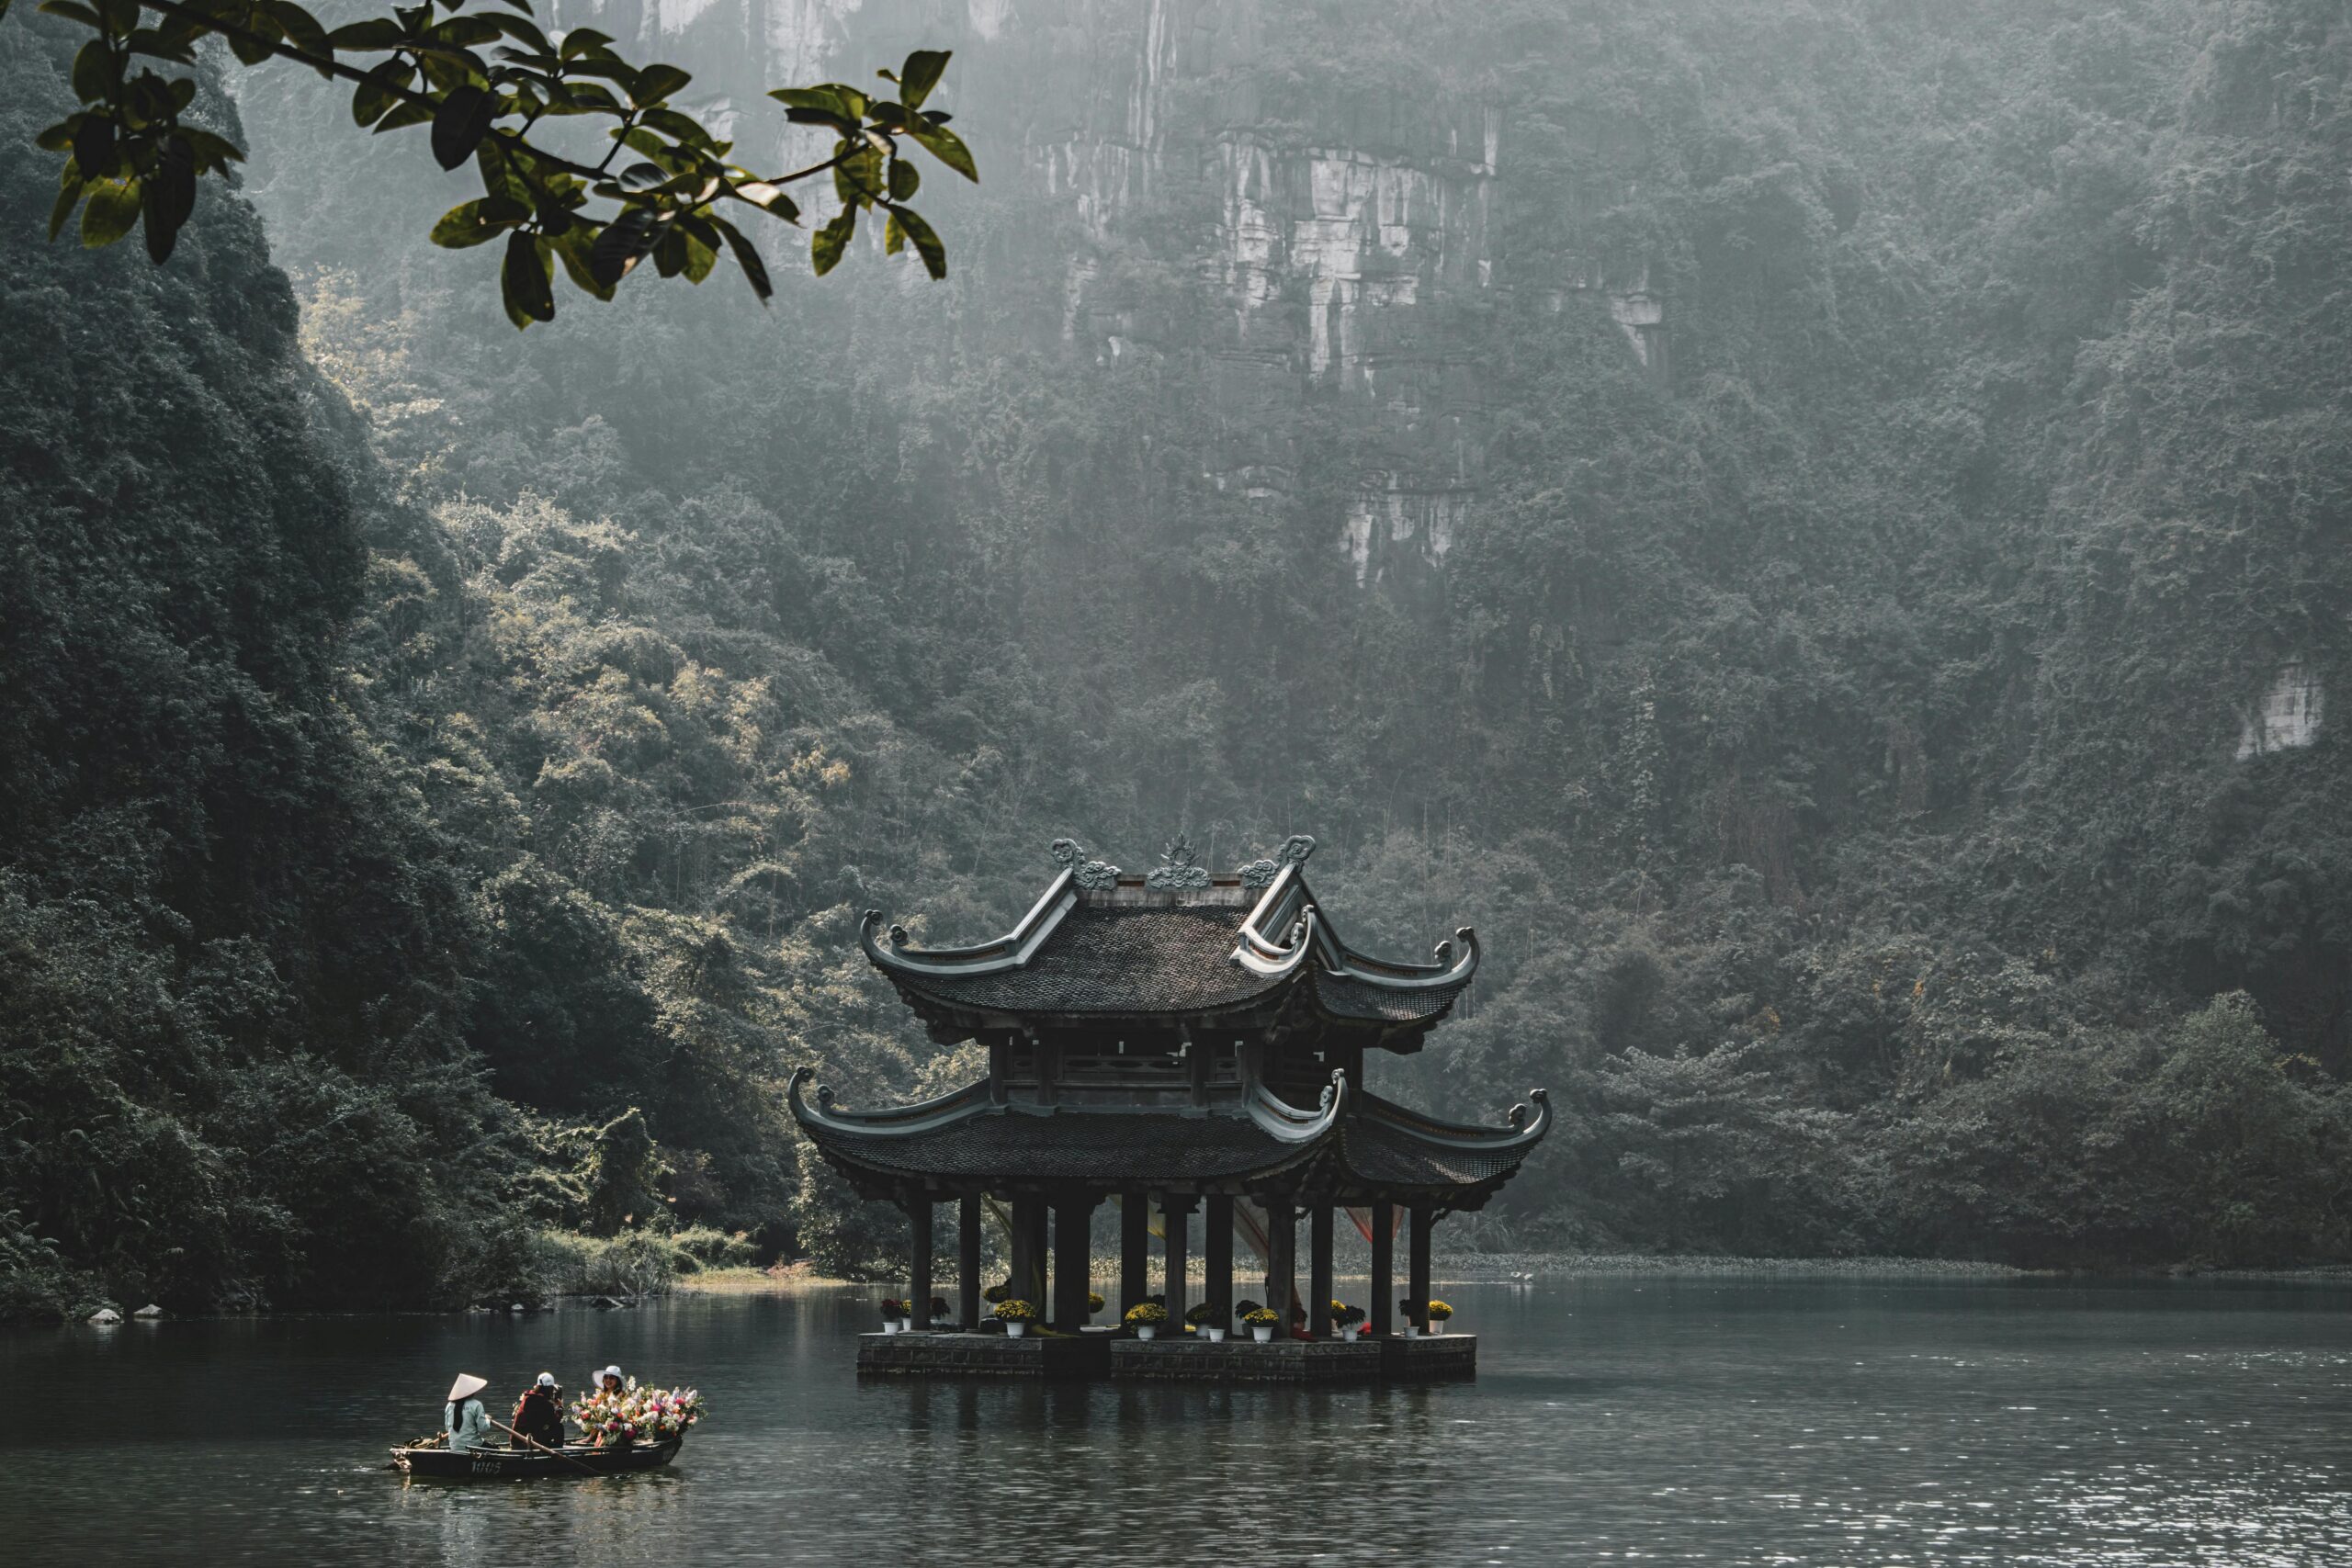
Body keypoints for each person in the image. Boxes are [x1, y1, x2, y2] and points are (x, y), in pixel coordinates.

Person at [510, 1371, 565, 1450]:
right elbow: (553, 1421)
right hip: (526, 1444)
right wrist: (560, 1408)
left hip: (516, 1441)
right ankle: (556, 1449)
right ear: (549, 1388)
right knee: (559, 1427)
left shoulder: (529, 1397)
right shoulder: (542, 1403)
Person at [445, 1373, 495, 1453]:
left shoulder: (449, 1405)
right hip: (473, 1446)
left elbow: (448, 1429)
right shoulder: (477, 1405)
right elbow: (483, 1428)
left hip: (454, 1447)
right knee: (497, 1450)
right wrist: (487, 1420)